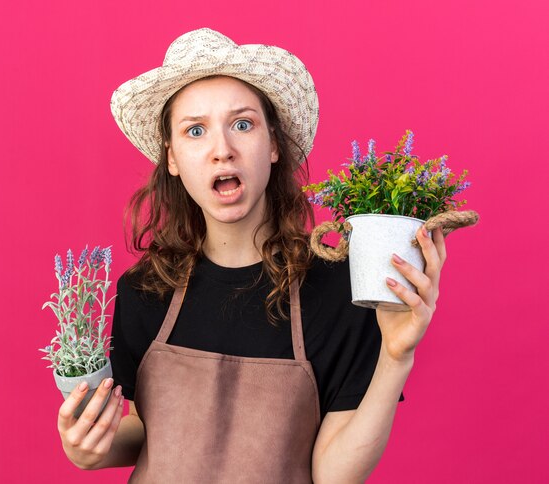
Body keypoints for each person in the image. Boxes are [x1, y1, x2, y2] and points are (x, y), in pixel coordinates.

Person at [56, 28, 447, 483]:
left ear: (275, 145)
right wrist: (87, 449)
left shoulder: (338, 288)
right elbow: (154, 429)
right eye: (195, 131)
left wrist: (396, 359)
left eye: (243, 124)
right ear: (174, 159)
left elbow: (333, 475)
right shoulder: (145, 289)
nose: (222, 150)